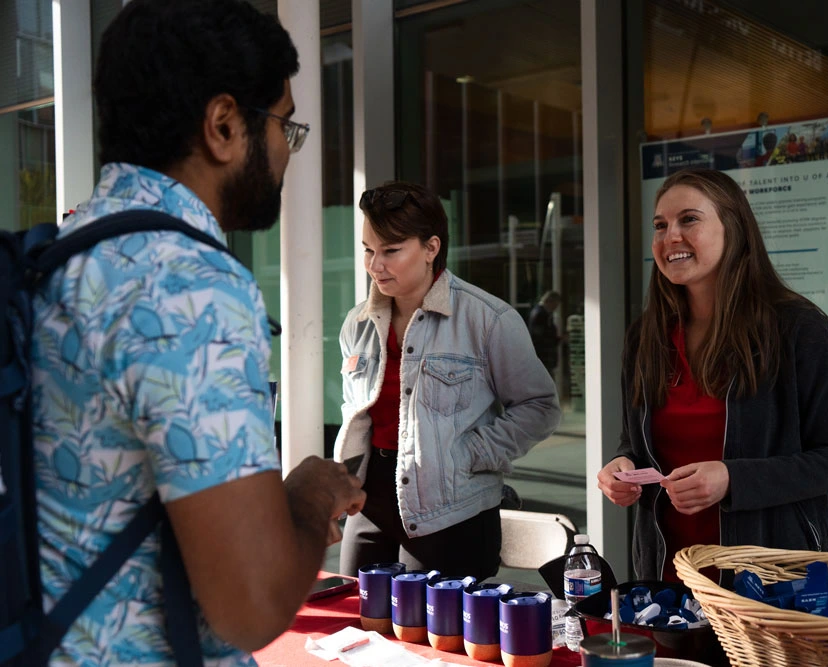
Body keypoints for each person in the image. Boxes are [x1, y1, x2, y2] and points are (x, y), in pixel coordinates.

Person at [31, 2, 366, 664]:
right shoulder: (189, 286)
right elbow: (250, 603)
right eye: (284, 128)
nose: (285, 152)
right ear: (223, 125)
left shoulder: (58, 257)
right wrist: (307, 496)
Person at [596, 169, 828, 581]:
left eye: (689, 219)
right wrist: (621, 466)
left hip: (768, 581)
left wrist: (733, 479)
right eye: (660, 225)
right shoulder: (646, 336)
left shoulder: (795, 328)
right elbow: (636, 443)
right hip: (668, 579)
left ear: (734, 229)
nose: (670, 236)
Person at [335, 181, 561, 580]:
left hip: (453, 509)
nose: (374, 265)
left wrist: (467, 455)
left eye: (390, 250)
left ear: (431, 248)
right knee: (358, 626)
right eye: (368, 250)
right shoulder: (358, 324)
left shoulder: (488, 319)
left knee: (436, 639)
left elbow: (539, 407)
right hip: (369, 502)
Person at [528, 290, 564, 376]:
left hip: (544, 357)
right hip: (543, 357)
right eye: (555, 305)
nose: (555, 308)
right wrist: (557, 340)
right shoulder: (540, 314)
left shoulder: (545, 314)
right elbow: (539, 337)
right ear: (549, 301)